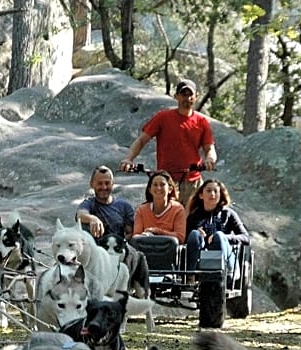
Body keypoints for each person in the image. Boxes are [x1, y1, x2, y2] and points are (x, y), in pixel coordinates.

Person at [119, 78, 217, 208]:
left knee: (193, 216)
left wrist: (210, 159)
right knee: (164, 215)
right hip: (166, 180)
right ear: (176, 96)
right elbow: (141, 140)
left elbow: (209, 148)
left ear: (196, 97)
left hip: (192, 180)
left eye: (190, 95)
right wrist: (128, 159)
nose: (187, 98)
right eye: (183, 94)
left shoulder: (201, 122)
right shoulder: (163, 117)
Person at [185, 179, 250, 271]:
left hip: (226, 260)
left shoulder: (228, 214)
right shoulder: (193, 217)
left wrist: (225, 237)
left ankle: (222, 274)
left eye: (216, 191)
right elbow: (185, 242)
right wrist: (200, 237)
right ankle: (191, 274)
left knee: (219, 236)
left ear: (220, 195)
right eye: (208, 191)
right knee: (194, 234)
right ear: (201, 195)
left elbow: (246, 238)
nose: (212, 194)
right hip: (202, 257)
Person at [75, 165, 135, 239]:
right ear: (92, 184)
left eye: (107, 183)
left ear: (112, 184)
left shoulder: (125, 206)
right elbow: (80, 215)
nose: (104, 187)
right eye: (100, 183)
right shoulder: (89, 204)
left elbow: (131, 233)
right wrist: (93, 219)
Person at [132, 171, 186, 243]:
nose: (158, 188)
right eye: (155, 185)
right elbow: (136, 237)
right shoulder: (141, 210)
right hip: (146, 247)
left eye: (162, 184)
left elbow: (180, 237)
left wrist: (158, 232)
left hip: (169, 248)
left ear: (170, 189)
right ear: (150, 190)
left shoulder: (178, 209)